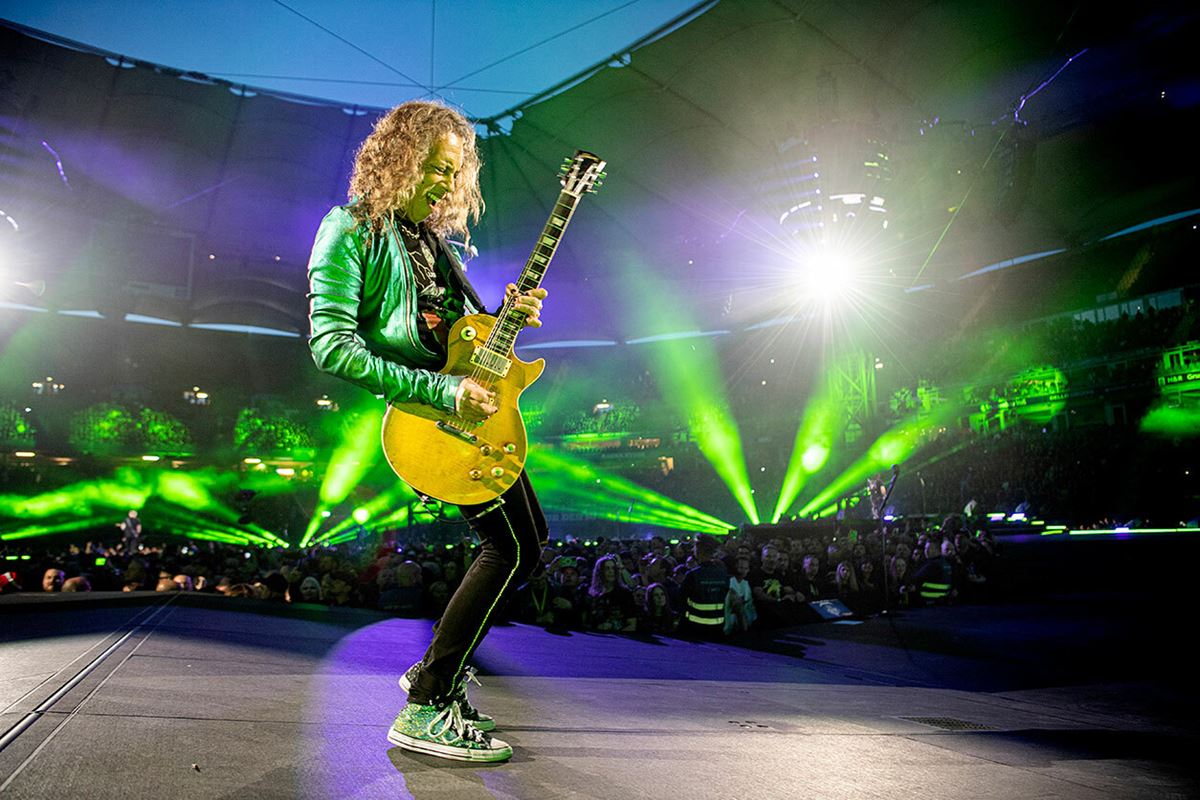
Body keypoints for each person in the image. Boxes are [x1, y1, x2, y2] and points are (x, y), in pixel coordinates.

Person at [307, 100, 549, 763]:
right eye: (437, 167)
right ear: (400, 158)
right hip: (431, 421)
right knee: (508, 548)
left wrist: (506, 314)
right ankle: (426, 702)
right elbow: (331, 346)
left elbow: (458, 338)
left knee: (527, 543)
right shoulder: (350, 228)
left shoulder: (430, 241)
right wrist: (445, 392)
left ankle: (437, 672)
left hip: (467, 413)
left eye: (455, 170)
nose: (448, 182)